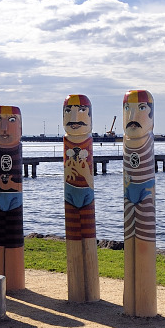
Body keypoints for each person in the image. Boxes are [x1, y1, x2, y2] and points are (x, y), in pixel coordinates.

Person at [122, 90, 157, 316]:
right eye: (127, 108)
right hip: (128, 196)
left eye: (141, 108)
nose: (133, 114)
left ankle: (144, 304)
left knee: (143, 239)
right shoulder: (126, 142)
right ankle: (131, 304)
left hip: (144, 196)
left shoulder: (148, 141)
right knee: (130, 239)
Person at [63, 94, 100, 302]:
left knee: (87, 236)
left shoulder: (88, 142)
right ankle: (77, 291)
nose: (74, 116)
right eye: (68, 110)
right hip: (70, 191)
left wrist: (85, 174)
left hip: (87, 193)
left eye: (81, 110)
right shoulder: (66, 141)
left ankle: (90, 292)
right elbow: (68, 172)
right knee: (74, 237)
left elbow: (88, 175)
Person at [0, 105, 25, 290]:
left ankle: (15, 281)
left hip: (14, 200)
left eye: (11, 120)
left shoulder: (17, 149)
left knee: (12, 237)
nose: (4, 127)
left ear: (20, 127)